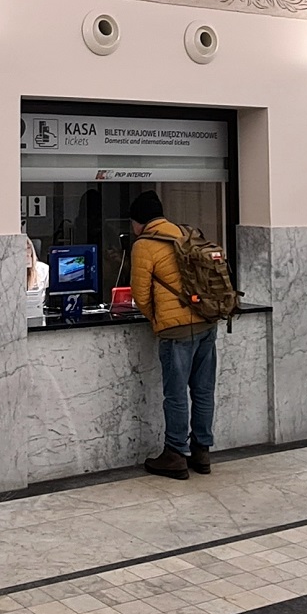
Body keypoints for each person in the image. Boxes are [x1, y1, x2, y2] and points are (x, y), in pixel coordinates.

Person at [128, 191, 215, 480]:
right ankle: (202, 451)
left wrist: (158, 318)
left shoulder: (145, 244)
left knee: (176, 394)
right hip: (206, 322)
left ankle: (175, 454)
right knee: (203, 391)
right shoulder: (185, 233)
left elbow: (141, 294)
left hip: (176, 331)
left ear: (138, 222)